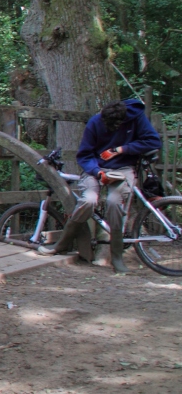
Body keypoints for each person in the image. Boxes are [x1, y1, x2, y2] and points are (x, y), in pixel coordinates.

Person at [39, 98, 161, 272]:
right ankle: (61, 244)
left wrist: (122, 149)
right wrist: (98, 172)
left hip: (124, 168)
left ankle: (117, 257)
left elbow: (153, 141)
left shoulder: (136, 118)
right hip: (95, 168)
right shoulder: (95, 122)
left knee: (114, 202)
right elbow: (84, 155)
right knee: (88, 200)